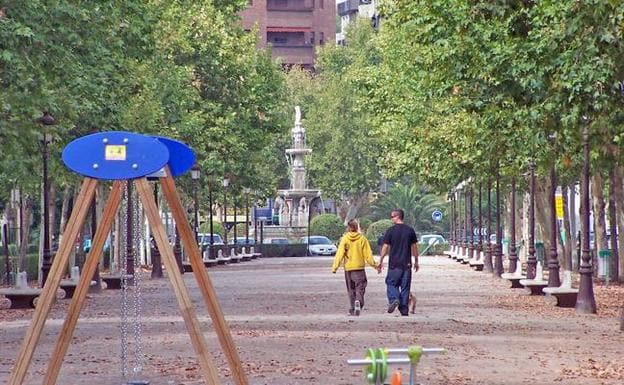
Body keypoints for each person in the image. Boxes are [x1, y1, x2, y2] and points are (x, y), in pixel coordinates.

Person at [331, 219, 378, 316]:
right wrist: (375, 265)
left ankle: (352, 308)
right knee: (360, 287)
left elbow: (340, 253)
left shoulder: (345, 239)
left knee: (351, 289)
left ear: (348, 228)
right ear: (357, 227)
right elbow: (368, 255)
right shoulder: (362, 239)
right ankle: (359, 302)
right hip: (359, 268)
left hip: (348, 268)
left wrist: (335, 267)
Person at [377, 209, 419, 316]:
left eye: (392, 216)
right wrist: (416, 261)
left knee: (391, 283)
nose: (391, 219)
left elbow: (385, 246)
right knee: (405, 286)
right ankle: (404, 310)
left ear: (397, 216)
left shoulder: (391, 230)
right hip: (406, 264)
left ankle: (394, 299)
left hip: (394, 264)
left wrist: (380, 260)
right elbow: (414, 247)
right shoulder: (410, 230)